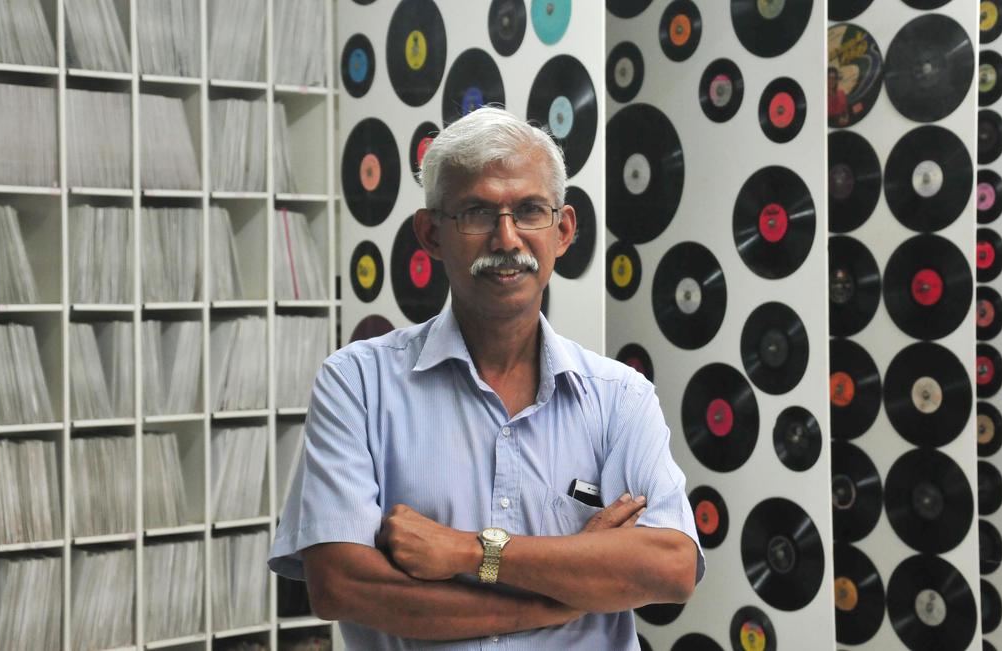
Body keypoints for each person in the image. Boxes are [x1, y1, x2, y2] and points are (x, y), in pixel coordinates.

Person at [268, 107, 704, 650]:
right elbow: (340, 586)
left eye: (528, 211)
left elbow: (671, 567)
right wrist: (563, 597)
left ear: (563, 231)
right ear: (430, 234)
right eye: (477, 212)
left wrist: (471, 551)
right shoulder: (357, 384)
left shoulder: (622, 398)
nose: (506, 239)